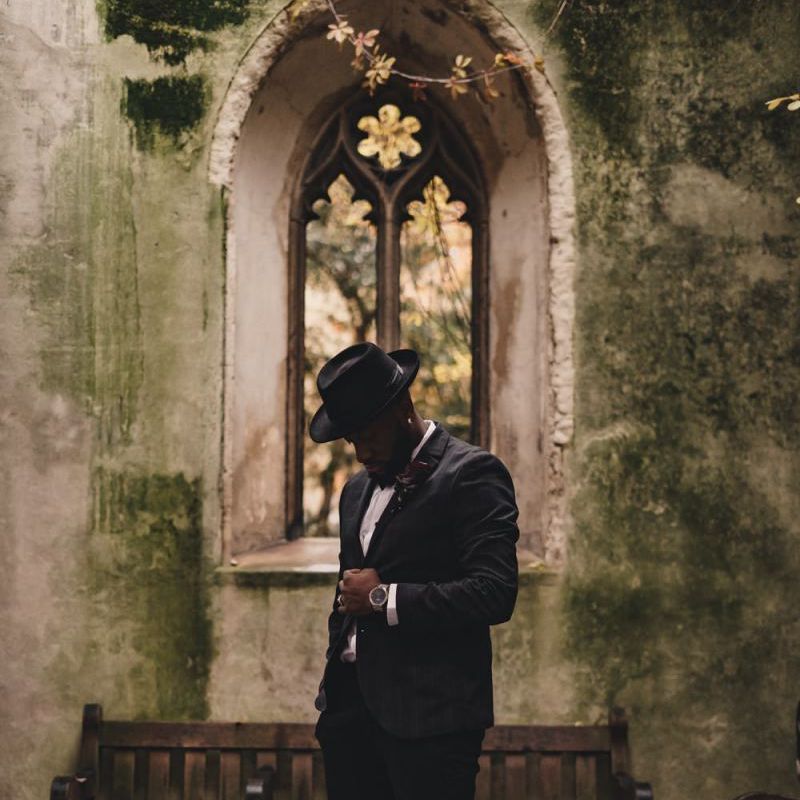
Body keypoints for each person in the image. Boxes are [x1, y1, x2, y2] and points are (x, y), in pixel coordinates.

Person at [310, 341, 519, 800]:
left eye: (368, 435)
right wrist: (333, 696)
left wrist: (383, 598)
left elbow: (495, 591)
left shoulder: (473, 474)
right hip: (349, 723)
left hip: (431, 729)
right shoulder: (355, 491)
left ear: (403, 408)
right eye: (351, 439)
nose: (360, 451)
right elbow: (346, 596)